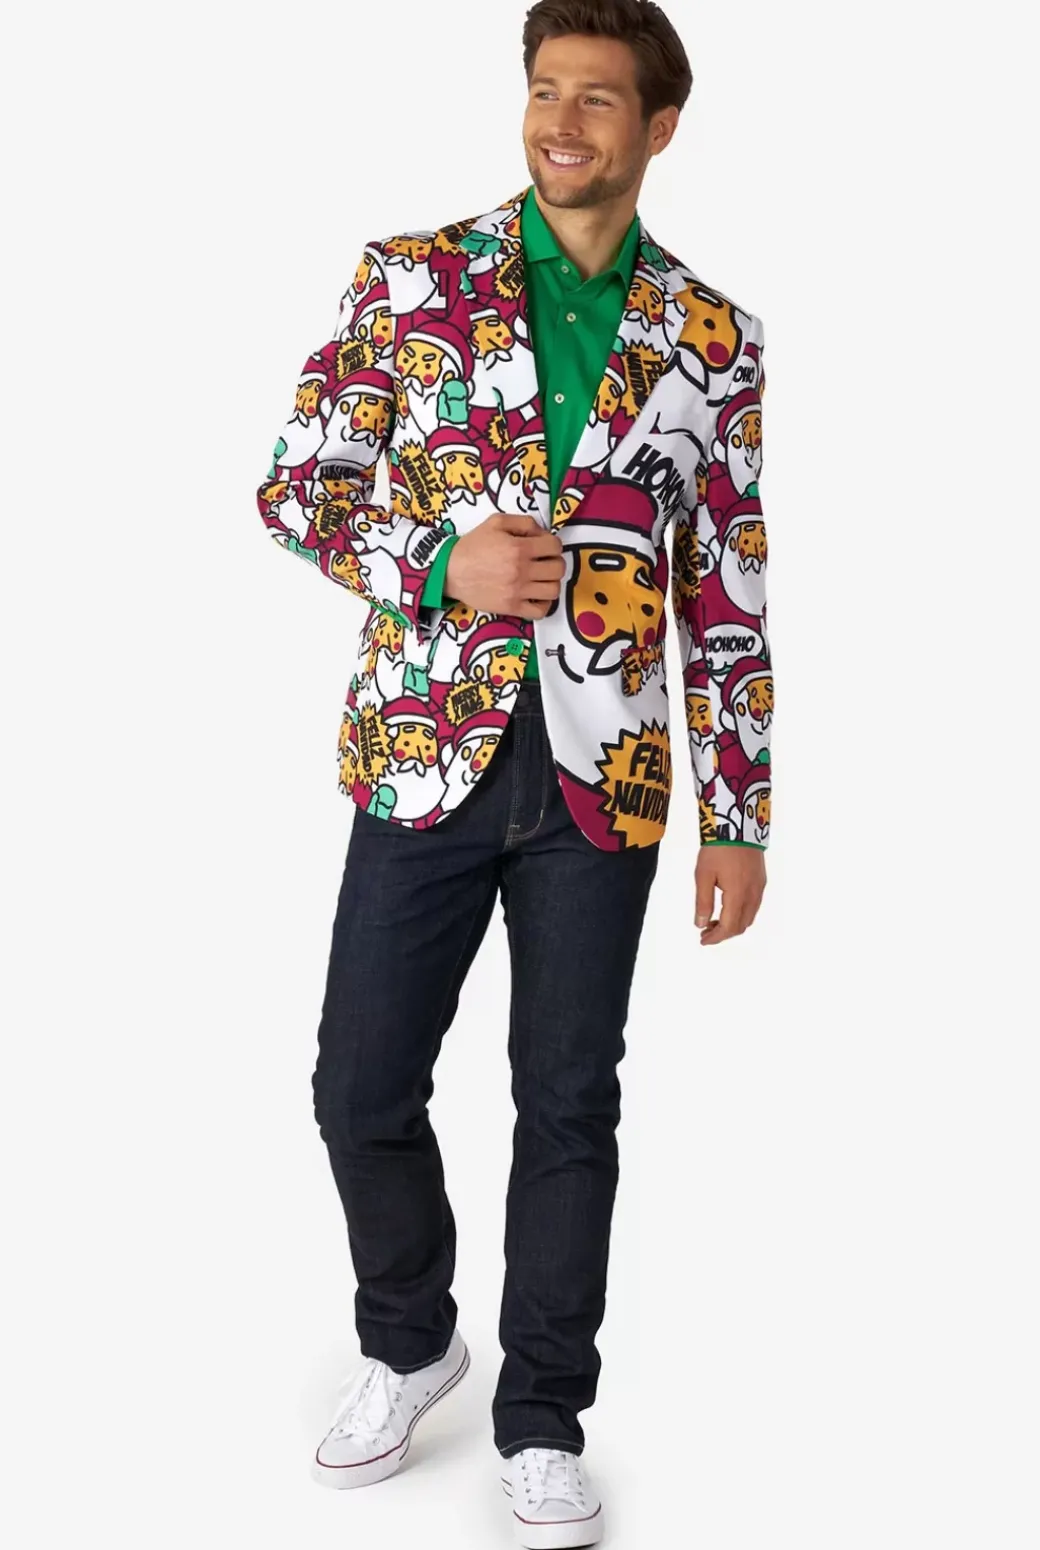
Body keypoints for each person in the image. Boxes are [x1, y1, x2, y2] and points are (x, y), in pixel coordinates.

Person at [254, 1, 772, 1542]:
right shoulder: (412, 278)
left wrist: (742, 812)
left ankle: (543, 1416)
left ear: (658, 127)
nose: (561, 121)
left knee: (566, 1102)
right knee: (359, 1083)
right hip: (423, 746)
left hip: (608, 773)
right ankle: (412, 1337)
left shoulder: (714, 338)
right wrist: (440, 561)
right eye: (546, 90)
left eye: (597, 98)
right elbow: (296, 485)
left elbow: (726, 586)